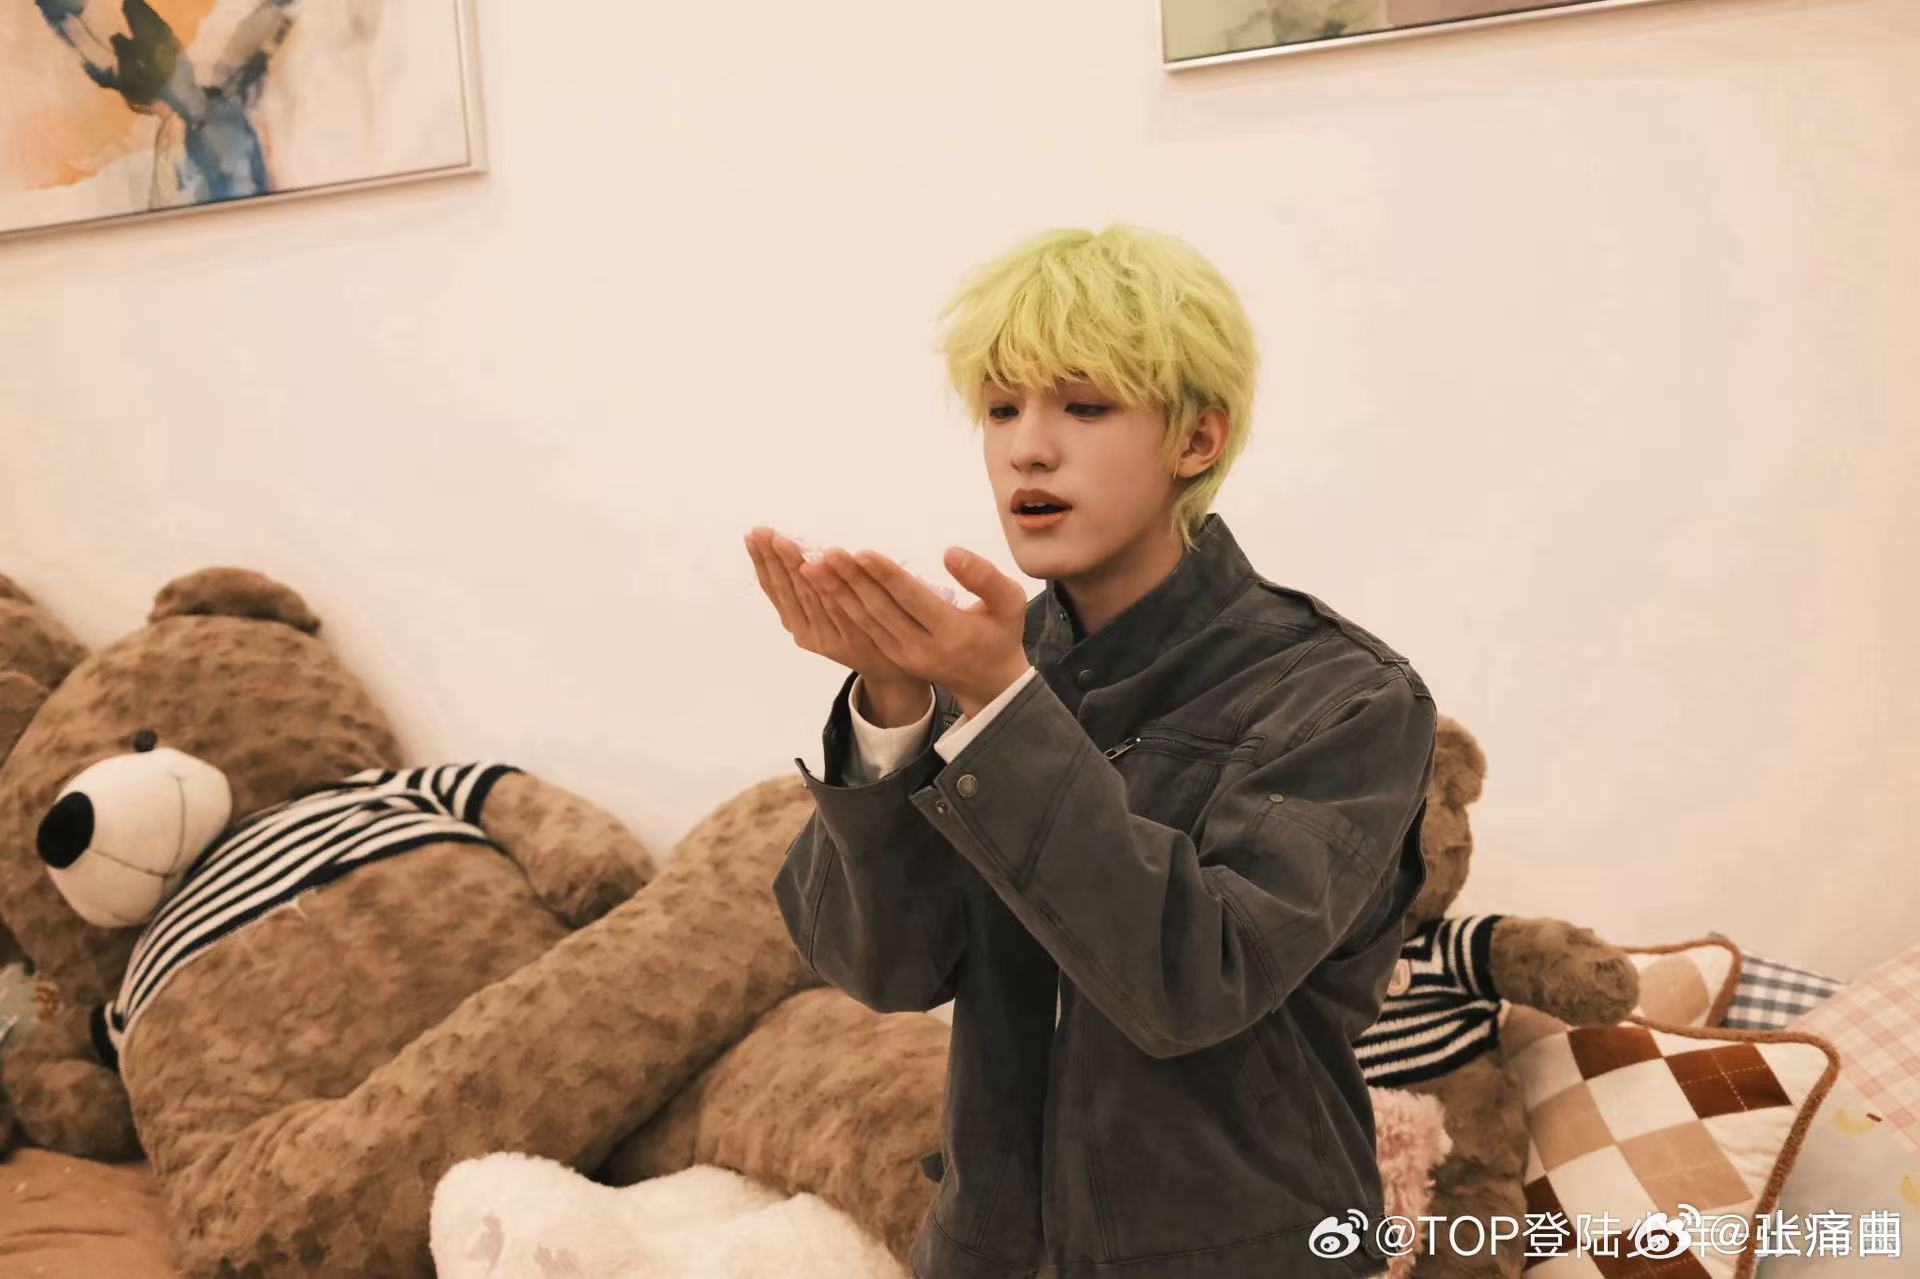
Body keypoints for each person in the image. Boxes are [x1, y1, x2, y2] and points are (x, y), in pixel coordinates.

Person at [745, 223, 1434, 1278]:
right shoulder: (992, 664)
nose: (1028, 447)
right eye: (1002, 408)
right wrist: (893, 698)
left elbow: (1194, 981)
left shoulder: (1347, 699)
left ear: (1196, 440)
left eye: (1085, 406)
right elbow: (886, 967)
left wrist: (998, 700)